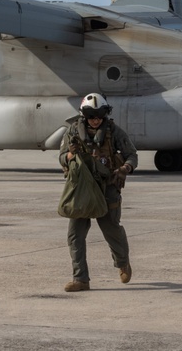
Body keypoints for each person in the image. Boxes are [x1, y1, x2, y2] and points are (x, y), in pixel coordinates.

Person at [58, 93, 138, 292]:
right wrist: (70, 155)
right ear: (84, 116)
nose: (95, 120)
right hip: (82, 189)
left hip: (107, 187)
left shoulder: (114, 132)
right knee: (75, 235)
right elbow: (61, 157)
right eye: (91, 116)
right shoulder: (73, 131)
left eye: (99, 116)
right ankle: (80, 279)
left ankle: (122, 263)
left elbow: (131, 155)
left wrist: (125, 168)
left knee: (111, 229)